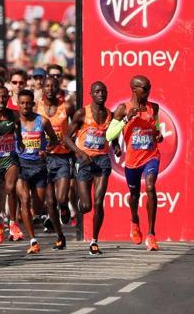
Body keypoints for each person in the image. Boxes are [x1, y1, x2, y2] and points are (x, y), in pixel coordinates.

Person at [107, 75, 162, 251]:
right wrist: (126, 119)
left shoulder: (153, 108)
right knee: (134, 195)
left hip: (151, 156)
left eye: (149, 88)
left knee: (151, 187)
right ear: (134, 89)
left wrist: (158, 134)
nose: (148, 92)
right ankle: (134, 220)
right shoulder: (123, 108)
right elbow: (109, 135)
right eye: (144, 89)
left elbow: (156, 128)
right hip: (132, 161)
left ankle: (151, 235)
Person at [65, 81, 120, 255]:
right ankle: (79, 201)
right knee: (87, 206)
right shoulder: (82, 113)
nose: (101, 94)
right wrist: (79, 153)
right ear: (91, 94)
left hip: (102, 160)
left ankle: (94, 240)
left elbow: (113, 136)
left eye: (104, 91)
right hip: (84, 162)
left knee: (98, 202)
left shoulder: (110, 115)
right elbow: (66, 137)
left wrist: (116, 146)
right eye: (97, 91)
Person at [16, 89, 59, 254]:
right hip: (21, 165)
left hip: (39, 167)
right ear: (18, 104)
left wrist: (46, 150)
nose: (25, 106)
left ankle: (35, 217)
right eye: (22, 103)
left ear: (33, 104)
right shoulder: (14, 122)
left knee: (38, 206)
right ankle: (33, 240)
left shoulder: (43, 121)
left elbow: (54, 140)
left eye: (28, 103)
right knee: (25, 200)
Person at [0, 85, 24, 241]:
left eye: (4, 97)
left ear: (8, 97)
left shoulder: (14, 115)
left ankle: (13, 223)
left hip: (10, 157)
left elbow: (19, 129)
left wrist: (20, 141)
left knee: (10, 188)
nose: (1, 100)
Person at [36, 77, 75, 229]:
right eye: (47, 86)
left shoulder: (67, 106)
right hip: (43, 158)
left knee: (61, 198)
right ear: (42, 88)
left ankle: (64, 208)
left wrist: (70, 139)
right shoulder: (36, 107)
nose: (50, 89)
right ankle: (57, 232)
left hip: (62, 156)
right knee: (50, 201)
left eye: (53, 86)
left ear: (58, 88)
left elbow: (76, 126)